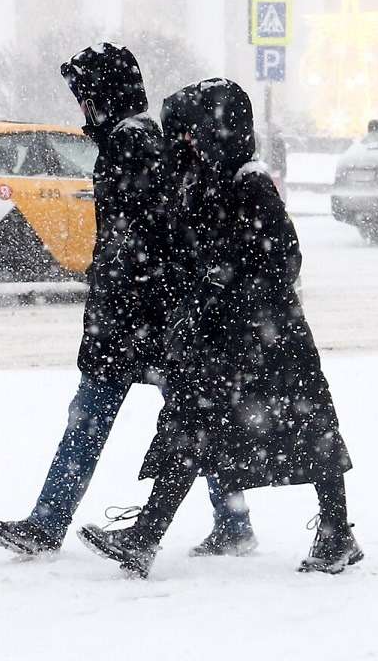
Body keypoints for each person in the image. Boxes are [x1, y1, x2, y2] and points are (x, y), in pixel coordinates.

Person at [0, 45, 258, 558]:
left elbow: (147, 238)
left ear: (103, 96)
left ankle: (47, 523)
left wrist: (130, 302)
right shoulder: (138, 140)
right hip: (145, 314)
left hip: (134, 318)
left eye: (84, 96)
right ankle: (233, 522)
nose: (81, 107)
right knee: (192, 420)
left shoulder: (130, 145)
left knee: (106, 422)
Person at [78, 79, 361, 579]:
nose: (181, 142)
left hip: (266, 339)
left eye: (188, 132)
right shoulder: (204, 179)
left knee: (307, 432)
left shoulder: (248, 182)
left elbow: (283, 259)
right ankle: (146, 535)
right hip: (220, 337)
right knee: (188, 425)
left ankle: (337, 532)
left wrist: (227, 287)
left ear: (215, 129)